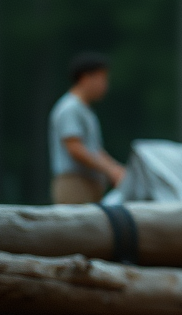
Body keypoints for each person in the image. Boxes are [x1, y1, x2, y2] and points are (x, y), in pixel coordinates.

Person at [49, 52, 126, 204]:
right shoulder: (70, 108)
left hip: (89, 184)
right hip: (75, 183)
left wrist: (116, 169)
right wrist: (109, 170)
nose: (105, 85)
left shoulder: (85, 110)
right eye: (102, 79)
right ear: (85, 78)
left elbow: (94, 149)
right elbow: (75, 148)